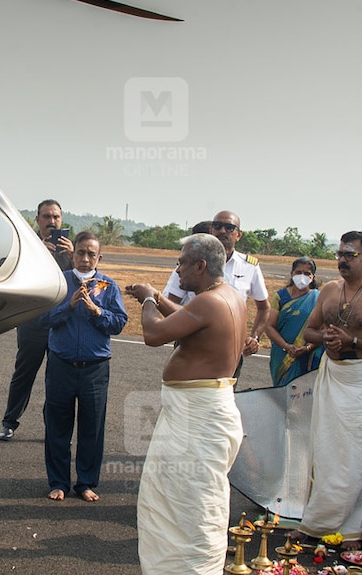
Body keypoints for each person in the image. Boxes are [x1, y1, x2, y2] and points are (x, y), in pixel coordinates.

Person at [124, 233, 245, 574]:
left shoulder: (208, 302)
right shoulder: (226, 296)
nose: (176, 269)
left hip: (199, 416)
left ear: (200, 265)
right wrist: (159, 297)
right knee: (185, 497)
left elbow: (154, 335)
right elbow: (189, 321)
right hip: (205, 410)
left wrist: (149, 301)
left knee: (190, 503)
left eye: (180, 262)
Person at [294, 231, 362, 549]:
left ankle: (352, 529)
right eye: (340, 254)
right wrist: (324, 340)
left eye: (350, 255)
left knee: (357, 454)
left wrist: (353, 341)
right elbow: (309, 331)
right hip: (332, 377)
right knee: (326, 451)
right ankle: (315, 523)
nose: (342, 259)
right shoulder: (328, 290)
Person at [40, 231, 126, 501]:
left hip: (95, 368)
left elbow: (119, 323)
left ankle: (86, 482)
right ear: (72, 253)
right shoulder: (60, 283)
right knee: (57, 425)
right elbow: (43, 319)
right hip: (61, 365)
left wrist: (97, 311)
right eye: (80, 253)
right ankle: (58, 482)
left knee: (92, 426)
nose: (85, 258)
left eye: (91, 254)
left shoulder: (108, 286)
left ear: (99, 257)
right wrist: (69, 306)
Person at [0, 199, 74, 440]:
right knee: (24, 373)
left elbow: (82, 279)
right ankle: (9, 421)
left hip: (61, 322)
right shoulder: (27, 245)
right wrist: (36, 251)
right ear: (37, 220)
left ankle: (54, 428)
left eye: (56, 217)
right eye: (47, 217)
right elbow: (13, 274)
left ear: (61, 220)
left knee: (58, 378)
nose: (52, 222)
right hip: (32, 319)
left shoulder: (71, 250)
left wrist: (72, 256)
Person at [161, 211, 269, 357]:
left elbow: (263, 308)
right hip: (192, 345)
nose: (222, 231)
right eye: (217, 226)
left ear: (238, 234)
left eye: (229, 227)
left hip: (231, 349)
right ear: (211, 230)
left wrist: (254, 337)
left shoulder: (249, 266)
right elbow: (170, 302)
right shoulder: (190, 263)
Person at [265, 256, 324, 386]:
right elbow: (269, 326)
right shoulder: (280, 296)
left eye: (307, 273)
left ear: (313, 277)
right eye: (298, 272)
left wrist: (307, 348)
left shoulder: (318, 298)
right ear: (291, 274)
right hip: (282, 353)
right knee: (283, 392)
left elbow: (322, 329)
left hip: (308, 356)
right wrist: (286, 346)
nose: (302, 276)